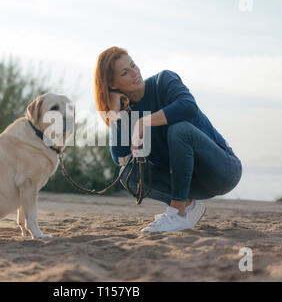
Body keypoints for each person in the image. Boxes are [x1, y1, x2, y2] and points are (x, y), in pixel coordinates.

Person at [94, 46, 242, 232]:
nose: (135, 73)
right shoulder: (127, 113)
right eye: (125, 72)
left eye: (133, 65)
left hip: (222, 172)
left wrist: (144, 122)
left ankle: (177, 213)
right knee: (127, 174)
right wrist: (115, 114)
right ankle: (188, 206)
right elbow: (121, 159)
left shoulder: (163, 80)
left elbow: (188, 107)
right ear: (113, 84)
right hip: (189, 183)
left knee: (179, 129)